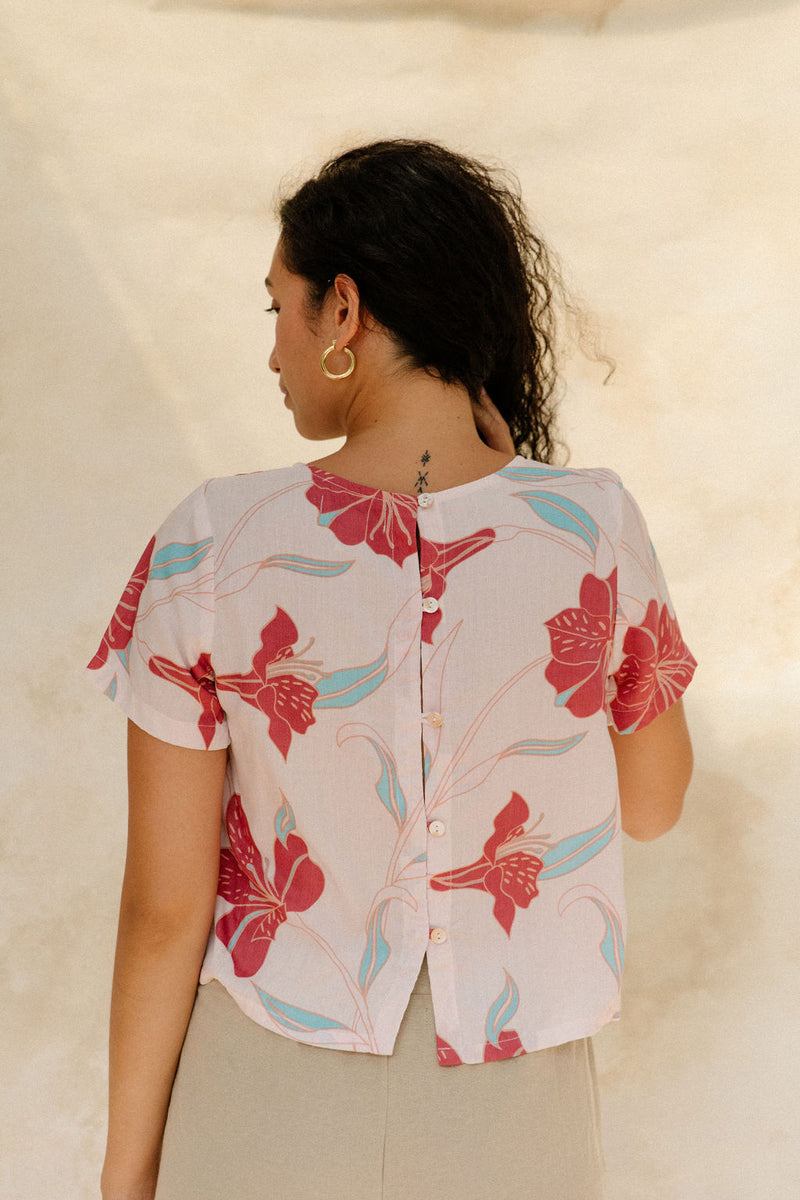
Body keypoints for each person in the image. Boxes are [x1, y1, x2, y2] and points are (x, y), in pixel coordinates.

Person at [88, 138, 696, 1200]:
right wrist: (518, 496)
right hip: (514, 1115)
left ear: (344, 311)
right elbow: (650, 805)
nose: (272, 350)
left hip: (264, 1098)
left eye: (278, 308)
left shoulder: (213, 542)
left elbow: (163, 914)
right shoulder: (590, 525)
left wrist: (127, 1171)